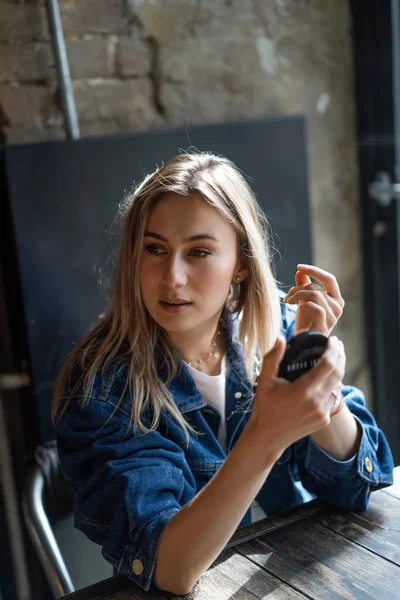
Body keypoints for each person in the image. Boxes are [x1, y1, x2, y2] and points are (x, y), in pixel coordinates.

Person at [53, 152, 394, 595]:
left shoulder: (278, 329)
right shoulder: (104, 387)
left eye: (198, 252)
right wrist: (266, 436)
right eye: (154, 249)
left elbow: (360, 485)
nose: (172, 278)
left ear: (241, 263)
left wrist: (313, 378)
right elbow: (170, 568)